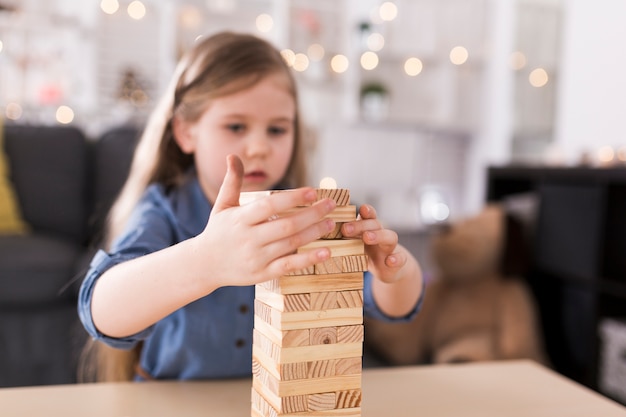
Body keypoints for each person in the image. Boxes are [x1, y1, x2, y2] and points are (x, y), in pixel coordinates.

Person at [77, 31, 424, 382]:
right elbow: (100, 311)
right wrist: (206, 260)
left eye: (277, 130)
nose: (259, 147)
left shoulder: (312, 217)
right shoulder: (164, 210)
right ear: (185, 132)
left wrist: (396, 272)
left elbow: (396, 308)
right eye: (236, 126)